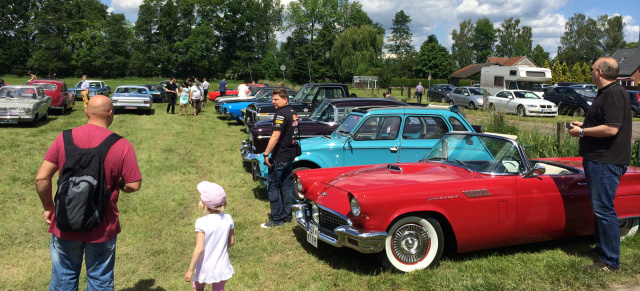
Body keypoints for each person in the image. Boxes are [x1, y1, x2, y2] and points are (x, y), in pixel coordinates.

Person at [35, 95, 142, 290]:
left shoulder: (63, 137)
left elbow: (41, 178)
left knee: (63, 277)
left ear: (86, 112)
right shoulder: (121, 144)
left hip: (65, 222)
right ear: (111, 114)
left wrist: (49, 207)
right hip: (103, 225)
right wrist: (118, 186)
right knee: (100, 279)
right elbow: (134, 185)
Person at [568, 57, 631, 272]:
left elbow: (612, 129)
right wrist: (584, 124)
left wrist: (582, 132)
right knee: (600, 209)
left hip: (606, 160)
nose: (591, 72)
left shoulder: (613, 94)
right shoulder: (608, 92)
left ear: (601, 73)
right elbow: (604, 123)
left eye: (593, 69)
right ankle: (601, 249)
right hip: (600, 159)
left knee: (604, 210)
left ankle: (610, 261)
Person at [184, 181, 235, 291]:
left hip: (204, 266)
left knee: (198, 288)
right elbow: (231, 242)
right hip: (221, 267)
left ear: (203, 203)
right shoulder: (228, 219)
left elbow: (199, 248)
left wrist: (190, 269)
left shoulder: (202, 223)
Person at [261, 88, 298, 228]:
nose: (273, 102)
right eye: (273, 99)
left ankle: (276, 219)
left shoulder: (281, 114)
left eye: (276, 99)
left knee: (273, 186)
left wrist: (266, 154)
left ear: (285, 99)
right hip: (290, 154)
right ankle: (287, 217)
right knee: (286, 186)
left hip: (280, 155)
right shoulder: (293, 112)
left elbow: (275, 136)